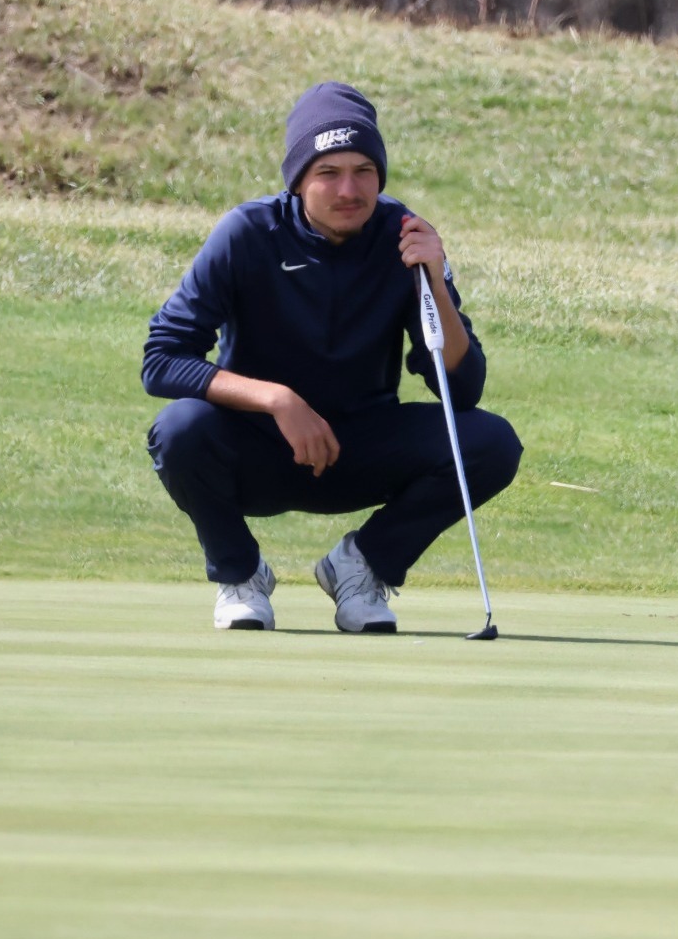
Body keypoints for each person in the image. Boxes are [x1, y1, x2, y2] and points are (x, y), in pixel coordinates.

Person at [142, 81, 523, 632]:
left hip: (363, 447)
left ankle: (360, 568)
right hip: (261, 449)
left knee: (491, 442)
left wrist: (435, 282)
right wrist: (277, 400)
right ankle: (241, 573)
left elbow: (462, 391)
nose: (349, 189)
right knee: (179, 430)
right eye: (328, 172)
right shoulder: (246, 235)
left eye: (364, 171)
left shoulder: (404, 238)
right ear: (298, 181)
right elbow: (162, 359)